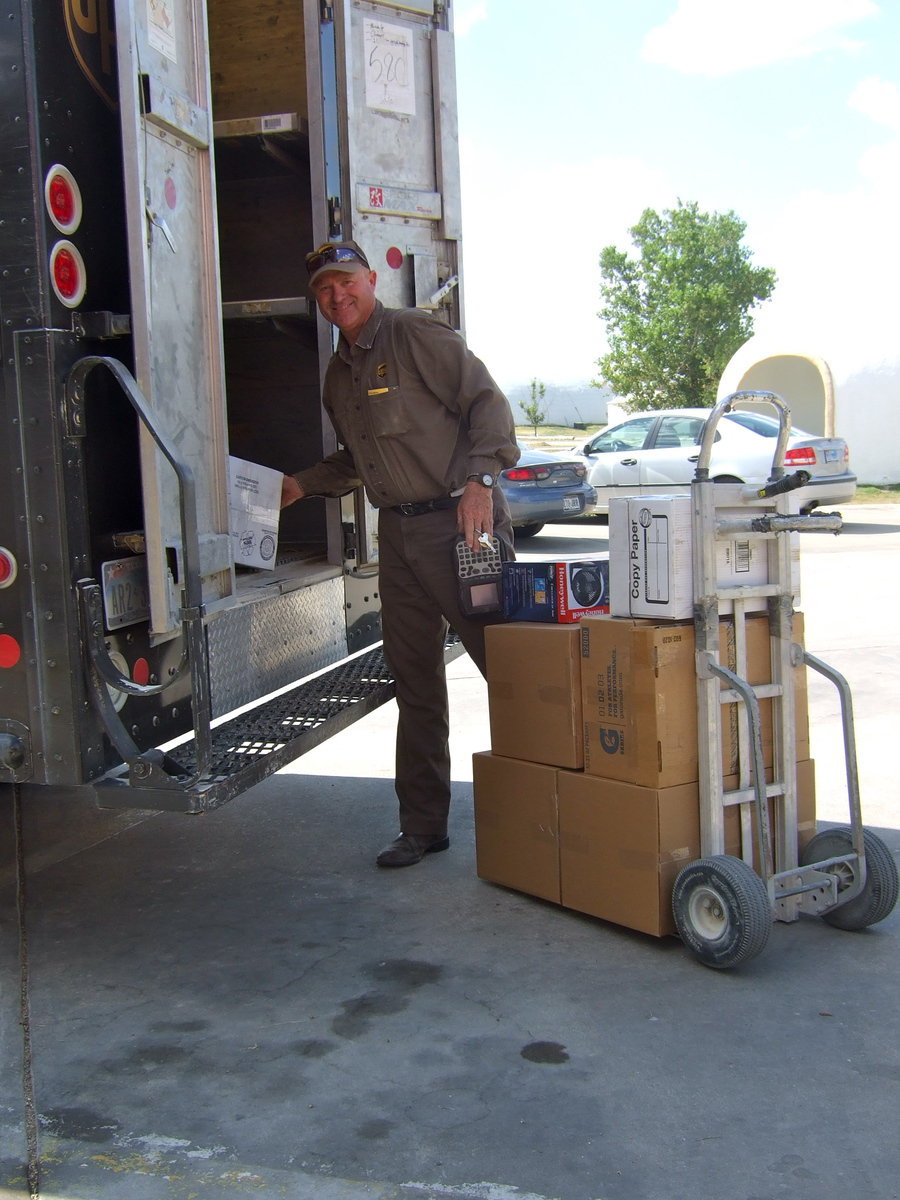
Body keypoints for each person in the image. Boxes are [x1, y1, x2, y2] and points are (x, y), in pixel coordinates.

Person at [281, 240, 520, 867]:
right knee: (414, 680)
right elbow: (358, 461)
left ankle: (557, 808)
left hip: (462, 524)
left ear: (369, 279)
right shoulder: (339, 374)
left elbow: (486, 404)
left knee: (514, 671)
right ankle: (423, 826)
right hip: (401, 535)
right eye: (325, 291)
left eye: (346, 282)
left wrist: (482, 485)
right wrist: (302, 483)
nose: (339, 297)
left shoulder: (412, 333)